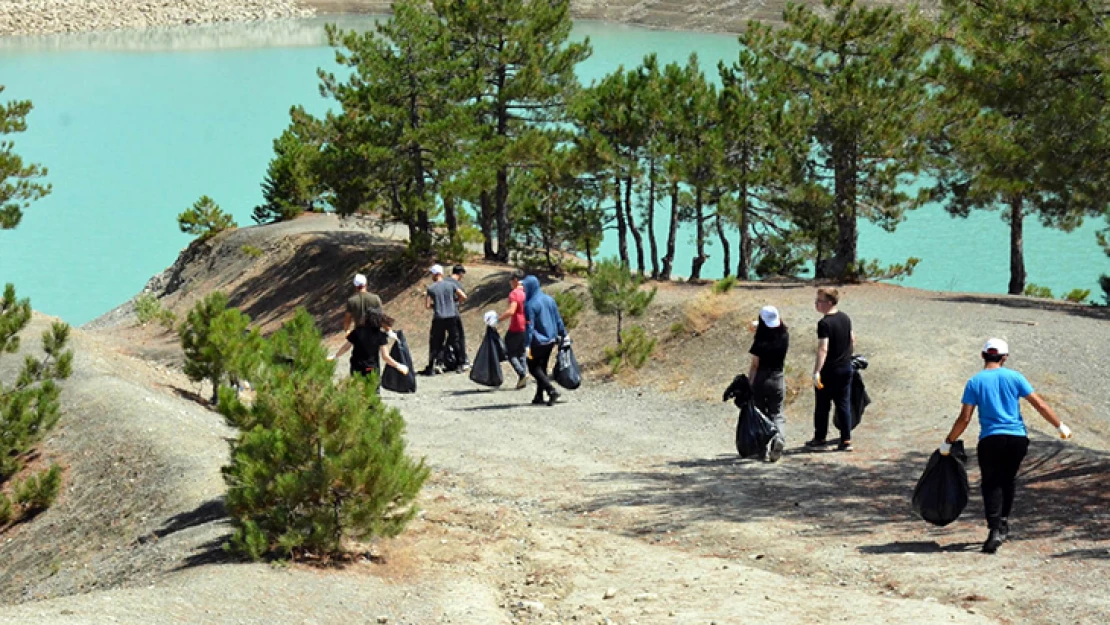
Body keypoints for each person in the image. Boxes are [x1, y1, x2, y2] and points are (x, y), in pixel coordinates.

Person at [940, 338, 1072, 554]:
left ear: (983, 356)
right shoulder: (1015, 377)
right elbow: (1039, 403)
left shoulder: (975, 382)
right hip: (1017, 438)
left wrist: (948, 441)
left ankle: (994, 529)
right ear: (1005, 357)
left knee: (991, 483)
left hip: (991, 439)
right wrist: (1060, 426)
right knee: (1007, 480)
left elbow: (964, 419)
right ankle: (1003, 523)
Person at [807, 287, 856, 452]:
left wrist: (816, 371)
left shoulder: (824, 323)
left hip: (829, 370)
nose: (816, 304)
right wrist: (848, 356)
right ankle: (846, 438)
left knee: (822, 405)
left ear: (829, 303)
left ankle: (820, 437)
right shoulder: (845, 318)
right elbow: (851, 340)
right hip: (845, 368)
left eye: (819, 301)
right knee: (843, 404)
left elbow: (823, 349)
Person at [748, 305, 789, 462]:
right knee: (777, 413)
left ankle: (761, 450)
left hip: (761, 378)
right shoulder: (785, 335)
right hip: (778, 377)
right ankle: (779, 438)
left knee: (760, 413)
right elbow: (776, 327)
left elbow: (755, 365)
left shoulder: (760, 340)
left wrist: (750, 384)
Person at [522, 275, 566, 406]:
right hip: (551, 340)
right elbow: (558, 319)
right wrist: (564, 334)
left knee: (533, 368)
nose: (523, 289)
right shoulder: (549, 300)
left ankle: (551, 390)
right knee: (542, 367)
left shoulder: (530, 305)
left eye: (525, 286)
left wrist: (527, 345)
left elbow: (529, 327)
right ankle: (539, 396)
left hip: (537, 342)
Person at [331, 312, 409, 385]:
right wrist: (399, 366)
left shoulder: (357, 332)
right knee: (371, 390)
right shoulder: (380, 335)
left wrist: (335, 356)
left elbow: (346, 347)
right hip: (371, 367)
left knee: (356, 389)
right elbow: (385, 356)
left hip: (356, 366)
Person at [423, 264, 467, 374]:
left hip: (439, 317)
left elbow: (427, 306)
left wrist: (436, 306)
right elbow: (463, 296)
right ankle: (460, 364)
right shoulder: (450, 285)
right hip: (452, 316)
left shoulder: (431, 288)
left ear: (435, 274)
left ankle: (434, 365)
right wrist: (455, 303)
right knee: (455, 340)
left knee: (436, 341)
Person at [497, 268, 529, 389]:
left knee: (510, 353)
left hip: (516, 326)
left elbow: (511, 311)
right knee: (521, 352)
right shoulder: (527, 292)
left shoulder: (515, 293)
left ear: (515, 280)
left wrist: (498, 319)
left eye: (510, 281)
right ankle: (523, 377)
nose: (510, 283)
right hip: (526, 325)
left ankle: (522, 373)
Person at [343, 273, 383, 338]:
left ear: (355, 286)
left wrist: (347, 330)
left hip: (359, 334)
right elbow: (381, 317)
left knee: (347, 347)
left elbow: (347, 319)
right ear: (366, 284)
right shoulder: (375, 298)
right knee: (383, 347)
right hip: (374, 334)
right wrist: (388, 331)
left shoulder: (351, 301)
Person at [448, 264, 470, 371]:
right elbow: (462, 297)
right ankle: (461, 361)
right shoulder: (457, 285)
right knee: (459, 337)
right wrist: (457, 303)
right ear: (460, 273)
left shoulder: (444, 281)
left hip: (441, 314)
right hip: (454, 312)